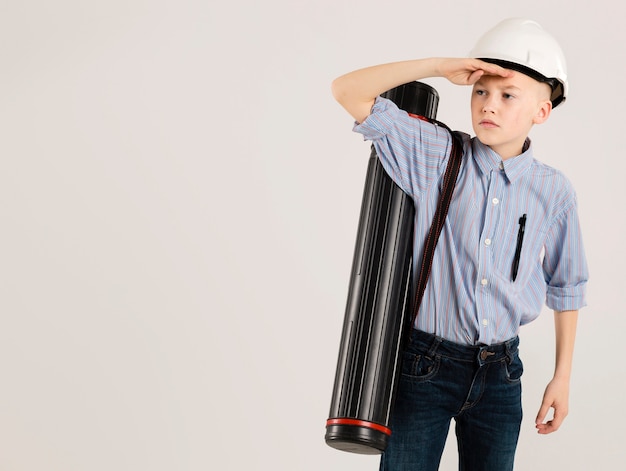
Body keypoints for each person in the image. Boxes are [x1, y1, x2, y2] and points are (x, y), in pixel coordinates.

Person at [331, 18, 588, 471]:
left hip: (502, 374)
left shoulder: (554, 192)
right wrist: (438, 66)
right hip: (424, 366)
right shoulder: (434, 154)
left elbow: (567, 286)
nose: (489, 105)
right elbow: (347, 90)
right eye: (480, 92)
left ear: (541, 111)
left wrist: (561, 377)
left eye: (507, 96)